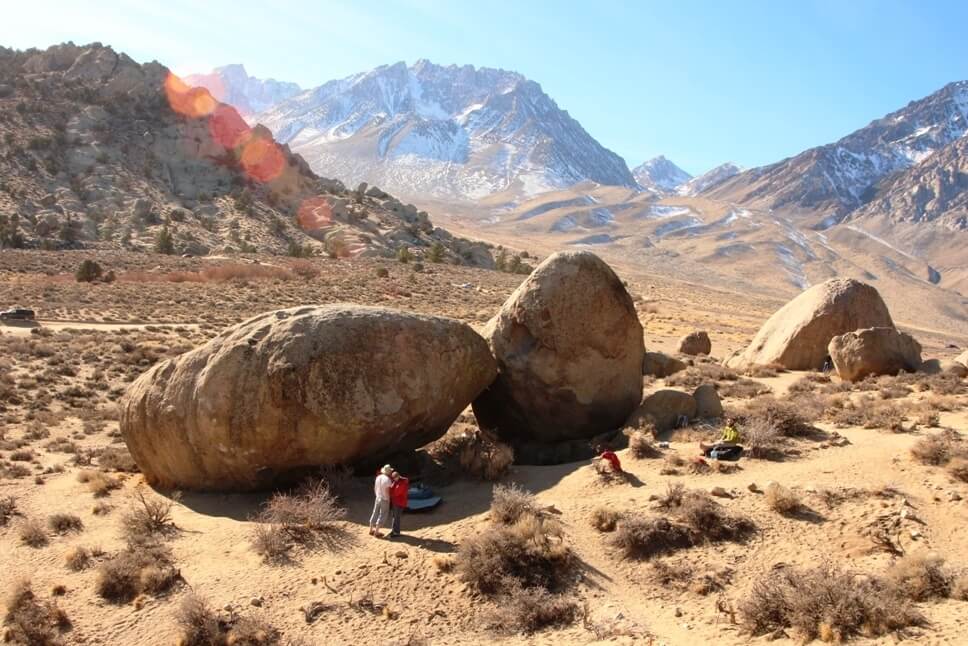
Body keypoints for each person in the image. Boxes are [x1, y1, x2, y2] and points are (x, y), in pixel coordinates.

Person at [369, 464, 393, 538]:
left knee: (375, 512)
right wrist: (389, 499)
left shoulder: (378, 477)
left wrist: (377, 495)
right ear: (389, 472)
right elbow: (387, 491)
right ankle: (376, 532)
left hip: (378, 497)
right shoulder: (388, 480)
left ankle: (371, 529)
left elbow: (375, 488)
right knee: (383, 514)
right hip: (384, 499)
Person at [388, 470, 410, 538]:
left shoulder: (402, 483)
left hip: (399, 502)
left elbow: (396, 493)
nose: (394, 479)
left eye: (394, 478)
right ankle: (394, 530)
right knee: (395, 517)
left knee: (396, 517)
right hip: (397, 502)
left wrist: (390, 492)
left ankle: (396, 532)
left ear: (397, 477)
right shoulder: (397, 482)